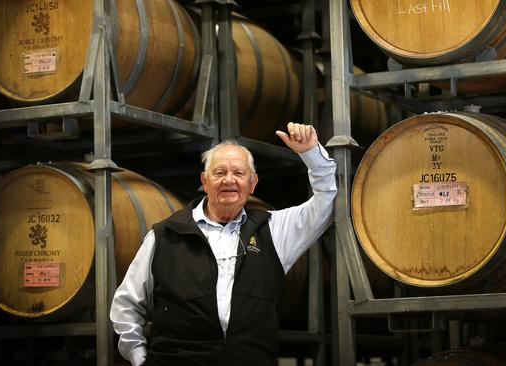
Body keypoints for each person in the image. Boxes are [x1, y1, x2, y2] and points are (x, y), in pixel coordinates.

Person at [110, 123, 337, 366]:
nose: (229, 180)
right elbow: (126, 306)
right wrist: (139, 358)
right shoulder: (165, 235)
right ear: (204, 181)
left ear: (253, 183)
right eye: (219, 173)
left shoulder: (273, 229)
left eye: (239, 173)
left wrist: (311, 153)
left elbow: (326, 202)